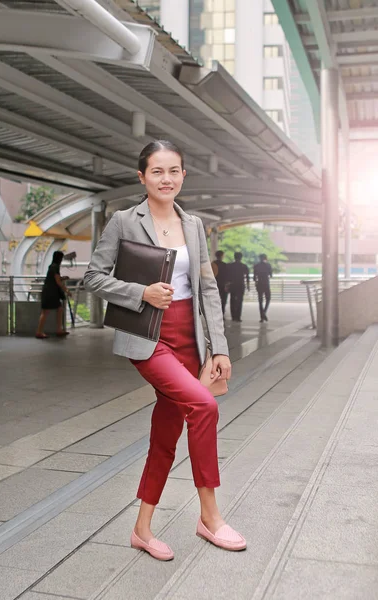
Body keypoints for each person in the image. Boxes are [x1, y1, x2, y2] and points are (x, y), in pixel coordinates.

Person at [84, 140, 246, 561]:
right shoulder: (123, 221)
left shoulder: (193, 224)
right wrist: (141, 291)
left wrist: (220, 347)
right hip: (150, 339)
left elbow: (207, 287)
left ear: (183, 176)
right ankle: (210, 517)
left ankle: (142, 529)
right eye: (157, 171)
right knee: (204, 407)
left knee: (165, 437)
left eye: (174, 171)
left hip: (192, 340)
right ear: (142, 177)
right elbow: (93, 278)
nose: (166, 179)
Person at [36, 251, 70, 339]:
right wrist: (66, 291)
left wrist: (63, 278)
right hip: (50, 293)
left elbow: (56, 278)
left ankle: (59, 329)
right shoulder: (55, 267)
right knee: (46, 312)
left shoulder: (53, 267)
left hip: (50, 292)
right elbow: (58, 281)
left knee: (59, 309)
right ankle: (39, 332)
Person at [228, 252, 250, 322]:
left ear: (234, 257)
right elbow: (247, 277)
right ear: (241, 257)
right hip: (240, 285)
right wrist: (248, 285)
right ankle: (238, 317)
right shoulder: (244, 266)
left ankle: (233, 316)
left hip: (232, 285)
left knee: (232, 300)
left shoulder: (230, 266)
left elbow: (227, 276)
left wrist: (227, 284)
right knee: (240, 301)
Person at [253, 253, 273, 323]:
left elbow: (254, 277)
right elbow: (271, 275)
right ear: (266, 258)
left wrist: (256, 282)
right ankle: (264, 312)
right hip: (266, 283)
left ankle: (262, 316)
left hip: (259, 284)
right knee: (268, 298)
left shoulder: (256, 266)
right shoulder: (268, 265)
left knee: (260, 301)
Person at [211, 250, 228, 316]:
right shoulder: (224, 265)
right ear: (222, 256)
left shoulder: (212, 264)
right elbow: (227, 276)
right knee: (223, 301)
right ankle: (222, 314)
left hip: (214, 285)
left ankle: (215, 314)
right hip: (223, 285)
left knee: (214, 300)